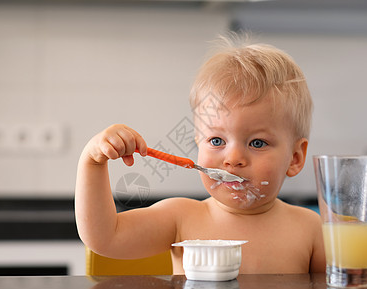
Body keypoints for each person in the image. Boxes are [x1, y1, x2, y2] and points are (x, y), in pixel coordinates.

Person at [75, 34, 326, 274]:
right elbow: (104, 237)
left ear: (295, 158)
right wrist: (92, 163)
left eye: (257, 143)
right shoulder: (180, 219)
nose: (233, 158)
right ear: (198, 144)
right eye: (217, 140)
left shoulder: (311, 229)